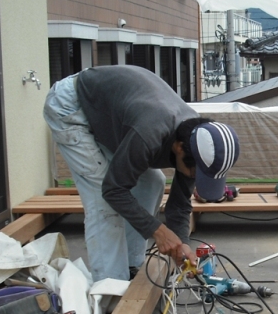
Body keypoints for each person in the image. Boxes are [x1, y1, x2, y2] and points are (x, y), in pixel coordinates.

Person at [43, 65, 240, 281]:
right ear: (179, 148)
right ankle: (110, 286)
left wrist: (181, 243)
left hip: (111, 113)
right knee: (102, 201)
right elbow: (113, 190)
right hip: (72, 106)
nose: (194, 178)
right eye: (195, 173)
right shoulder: (150, 132)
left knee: (152, 182)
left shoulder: (196, 138)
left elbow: (180, 204)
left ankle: (130, 266)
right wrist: (158, 231)